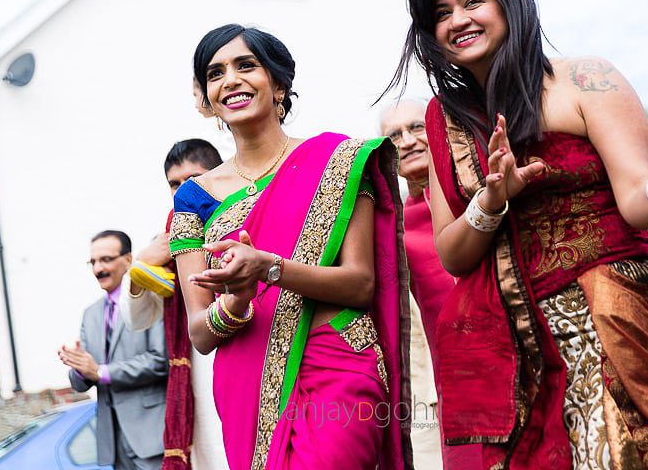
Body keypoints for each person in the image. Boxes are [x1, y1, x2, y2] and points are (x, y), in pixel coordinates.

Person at [387, 0, 648, 469]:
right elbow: (452, 255)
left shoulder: (585, 79)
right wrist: (491, 202)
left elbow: (638, 202)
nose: (458, 21)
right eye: (440, 14)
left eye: (472, 2)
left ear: (508, 3)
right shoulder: (444, 119)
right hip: (516, 352)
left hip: (611, 321)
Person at [170, 24, 412, 469]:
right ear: (207, 98)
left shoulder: (338, 163)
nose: (231, 80)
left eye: (246, 66)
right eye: (215, 73)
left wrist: (268, 268)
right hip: (247, 377)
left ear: (279, 82)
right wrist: (237, 301)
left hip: (337, 361)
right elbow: (200, 333)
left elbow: (360, 285)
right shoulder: (193, 198)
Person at [379, 99, 481, 470]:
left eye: (417, 127)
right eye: (394, 136)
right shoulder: (389, 229)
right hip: (443, 385)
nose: (406, 141)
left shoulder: (479, 197)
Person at [119, 139, 226, 470]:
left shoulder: (250, 215)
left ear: (219, 175)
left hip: (254, 357)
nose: (184, 190)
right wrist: (140, 267)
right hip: (199, 374)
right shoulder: (166, 241)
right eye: (175, 184)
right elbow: (137, 319)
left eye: (194, 178)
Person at [60, 230, 168, 470]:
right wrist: (78, 367)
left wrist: (100, 371)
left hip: (152, 437)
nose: (98, 269)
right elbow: (81, 382)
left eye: (106, 259)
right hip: (114, 444)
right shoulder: (90, 314)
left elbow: (160, 361)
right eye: (93, 262)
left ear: (128, 260)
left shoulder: (150, 299)